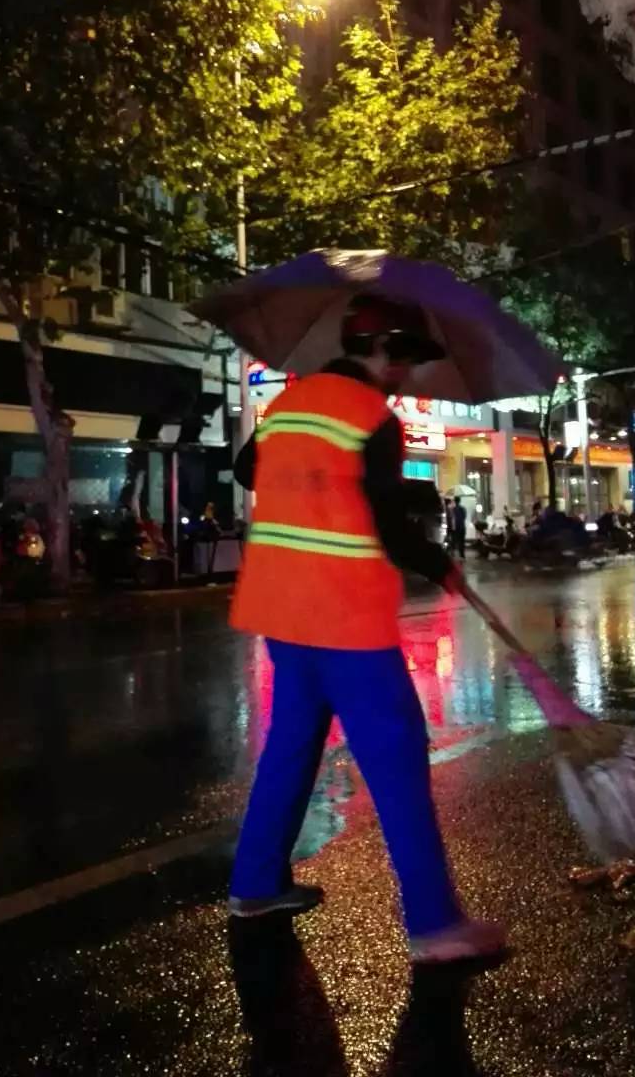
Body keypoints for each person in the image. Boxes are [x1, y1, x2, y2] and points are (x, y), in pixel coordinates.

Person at [229, 293, 505, 964]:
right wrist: (441, 565)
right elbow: (386, 525)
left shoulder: (289, 404)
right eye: (403, 356)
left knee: (292, 744)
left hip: (280, 608)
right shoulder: (371, 416)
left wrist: (324, 482)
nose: (405, 372)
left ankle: (255, 885)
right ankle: (435, 925)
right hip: (343, 616)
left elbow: (246, 469)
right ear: (379, 348)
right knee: (398, 756)